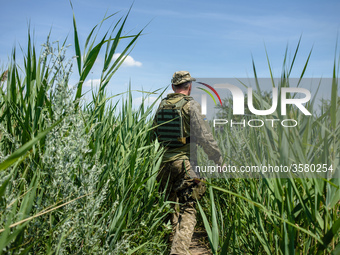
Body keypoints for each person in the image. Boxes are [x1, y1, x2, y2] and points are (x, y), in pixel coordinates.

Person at [153, 71, 223, 255]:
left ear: (173, 87)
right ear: (189, 86)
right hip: (185, 164)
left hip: (163, 164)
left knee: (169, 206)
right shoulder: (191, 106)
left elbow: (152, 135)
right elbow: (205, 136)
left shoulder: (161, 106)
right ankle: (178, 251)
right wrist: (217, 158)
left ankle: (168, 245)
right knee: (189, 208)